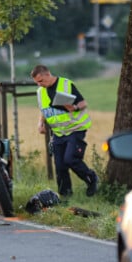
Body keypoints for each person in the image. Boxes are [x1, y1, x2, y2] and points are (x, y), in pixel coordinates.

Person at [31, 64, 99, 197]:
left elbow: (83, 103)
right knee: (60, 166)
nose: (39, 85)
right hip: (58, 132)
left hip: (75, 128)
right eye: (37, 82)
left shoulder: (66, 85)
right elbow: (43, 110)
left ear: (48, 74)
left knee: (70, 159)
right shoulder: (40, 91)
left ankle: (91, 178)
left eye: (40, 81)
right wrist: (40, 123)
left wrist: (74, 108)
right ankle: (65, 196)